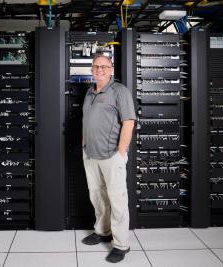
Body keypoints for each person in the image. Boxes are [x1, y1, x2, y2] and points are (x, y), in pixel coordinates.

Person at [81, 54, 136, 263]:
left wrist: (121, 153)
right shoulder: (89, 92)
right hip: (90, 155)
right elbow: (87, 121)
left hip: (112, 156)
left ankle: (121, 244)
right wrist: (84, 145)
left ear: (111, 69)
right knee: (97, 196)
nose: (99, 69)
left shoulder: (119, 91)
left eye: (104, 66)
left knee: (118, 200)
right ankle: (102, 231)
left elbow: (128, 122)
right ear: (92, 70)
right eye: (96, 66)